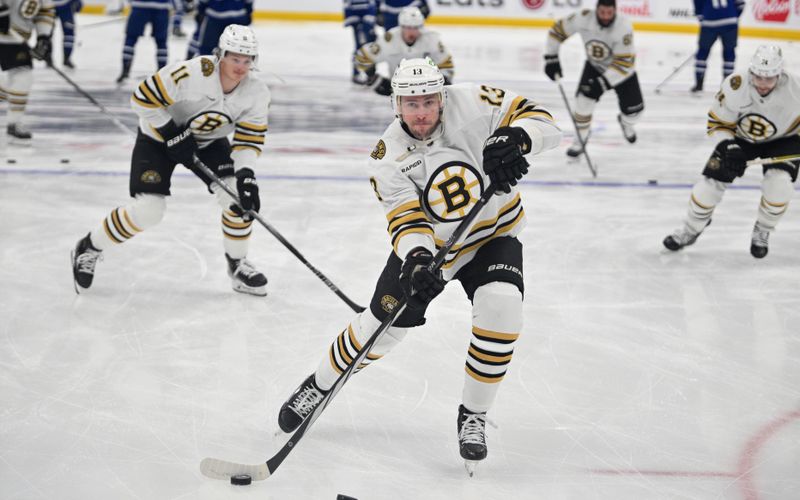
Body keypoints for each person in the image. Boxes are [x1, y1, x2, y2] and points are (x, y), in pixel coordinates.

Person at [276, 58, 561, 473]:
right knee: (380, 330)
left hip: (493, 235)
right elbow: (406, 217)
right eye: (411, 103)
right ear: (396, 105)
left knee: (502, 307)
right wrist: (418, 260)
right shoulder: (386, 156)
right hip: (435, 249)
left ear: (442, 96)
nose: (422, 111)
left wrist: (516, 137)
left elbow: (545, 122)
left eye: (429, 100)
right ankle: (319, 386)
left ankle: (474, 416)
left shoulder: (476, 102)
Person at [72, 25, 270, 295]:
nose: (241, 67)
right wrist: (171, 132)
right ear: (221, 54)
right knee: (149, 211)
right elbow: (142, 98)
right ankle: (89, 247)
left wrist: (246, 175)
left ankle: (237, 265)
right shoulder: (192, 73)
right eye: (235, 58)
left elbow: (248, 140)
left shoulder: (256, 92)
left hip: (208, 141)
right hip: (157, 138)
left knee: (237, 199)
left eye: (247, 61)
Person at [663, 46, 800, 259]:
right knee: (707, 187)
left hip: (785, 139)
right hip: (740, 139)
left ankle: (763, 229)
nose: (762, 84)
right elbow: (718, 123)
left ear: (779, 74)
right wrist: (728, 145)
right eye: (758, 77)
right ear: (751, 72)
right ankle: (690, 229)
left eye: (769, 78)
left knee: (779, 185)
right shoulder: (735, 85)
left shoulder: (796, 88)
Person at [543, 0, 643, 157]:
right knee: (583, 104)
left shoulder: (623, 27)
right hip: (594, 67)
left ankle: (626, 124)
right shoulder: (583, 18)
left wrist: (602, 83)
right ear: (596, 9)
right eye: (602, 12)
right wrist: (551, 58)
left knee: (634, 113)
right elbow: (557, 31)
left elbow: (623, 63)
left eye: (609, 13)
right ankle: (580, 141)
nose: (605, 16)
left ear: (615, 11)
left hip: (623, 72)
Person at [355, 6, 453, 96]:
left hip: (427, 92)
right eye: (408, 27)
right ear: (401, 26)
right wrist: (374, 79)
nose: (411, 32)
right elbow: (362, 56)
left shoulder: (431, 39)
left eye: (416, 27)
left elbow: (446, 64)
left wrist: (443, 82)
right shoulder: (389, 40)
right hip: (399, 92)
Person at [0, 0, 55, 140]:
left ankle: (14, 122)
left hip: (16, 39)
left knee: (23, 78)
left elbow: (45, 11)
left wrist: (43, 37)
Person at [691, 0, 744, 93]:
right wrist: (734, 16)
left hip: (709, 23)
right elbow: (741, 4)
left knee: (702, 53)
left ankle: (699, 85)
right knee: (729, 54)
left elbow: (698, 6)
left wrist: (703, 17)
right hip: (730, 22)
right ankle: (727, 86)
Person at [116, 0, 170, 83]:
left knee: (131, 39)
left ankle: (125, 70)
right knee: (161, 41)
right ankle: (162, 72)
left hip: (139, 6)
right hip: (161, 7)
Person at [186, 0, 252, 59]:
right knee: (237, 48)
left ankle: (205, 66)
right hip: (235, 18)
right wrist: (249, 13)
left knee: (207, 49)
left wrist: (200, 11)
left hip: (216, 19)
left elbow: (203, 3)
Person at [343, 0, 377, 84]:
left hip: (367, 16)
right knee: (361, 46)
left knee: (370, 45)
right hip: (358, 16)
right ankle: (357, 72)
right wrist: (350, 16)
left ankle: (370, 73)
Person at [53, 0, 81, 68]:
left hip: (58, 6)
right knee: (46, 32)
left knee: (69, 34)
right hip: (58, 6)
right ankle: (65, 58)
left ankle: (66, 57)